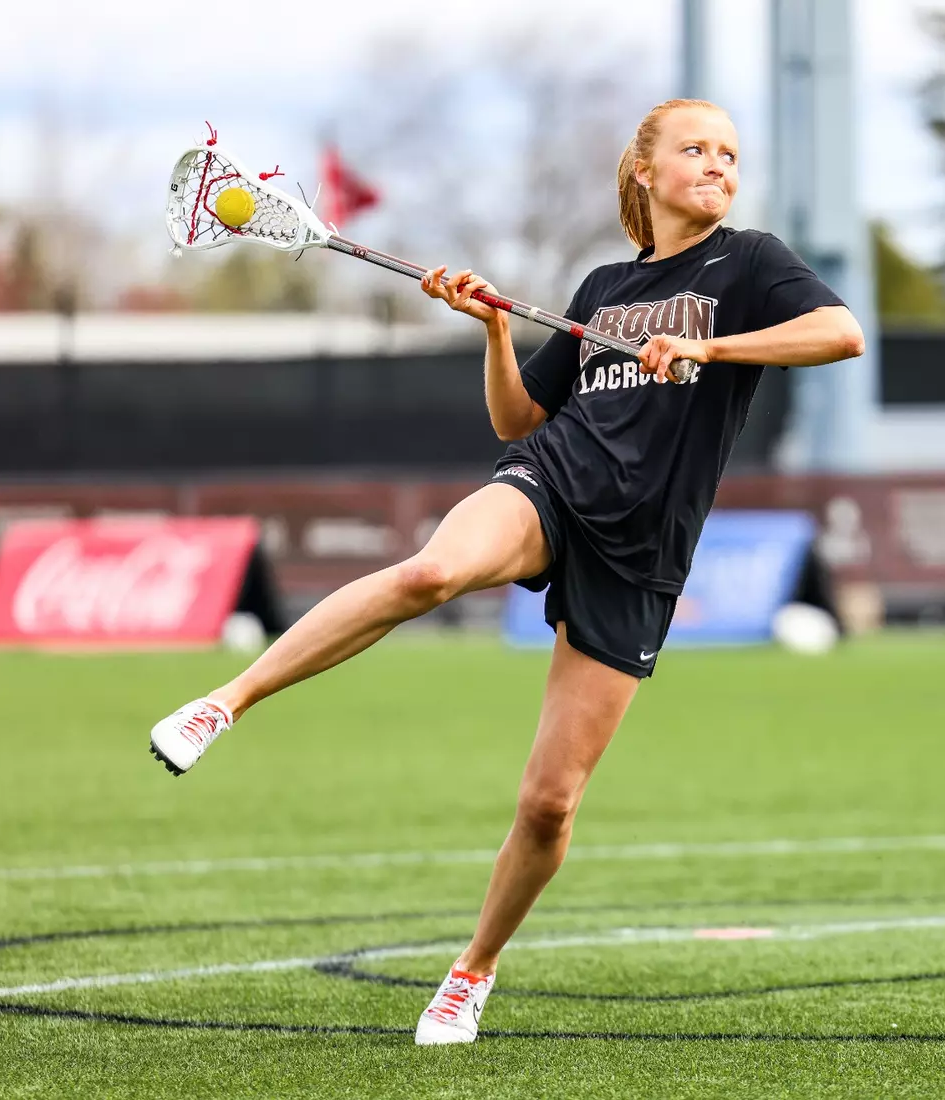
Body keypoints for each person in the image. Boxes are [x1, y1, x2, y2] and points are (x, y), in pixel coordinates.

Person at [147, 98, 865, 1045]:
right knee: (431, 572)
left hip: (642, 549)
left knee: (548, 804)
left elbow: (840, 332)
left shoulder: (752, 263)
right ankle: (224, 703)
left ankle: (471, 971)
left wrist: (710, 344)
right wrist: (492, 324)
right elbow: (521, 421)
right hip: (553, 481)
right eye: (695, 148)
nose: (718, 165)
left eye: (730, 153)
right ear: (643, 170)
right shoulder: (603, 282)